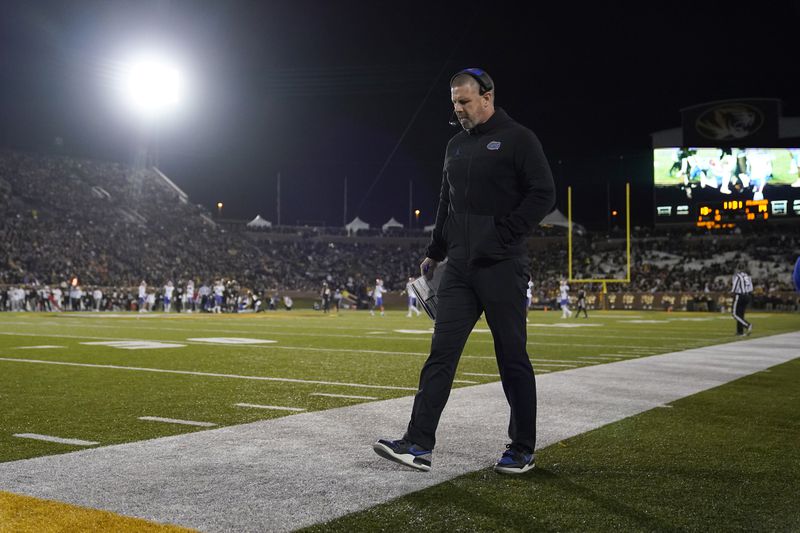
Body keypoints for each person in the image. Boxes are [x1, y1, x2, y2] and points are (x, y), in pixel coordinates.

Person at [373, 68, 555, 475]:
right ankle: (418, 443)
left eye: (465, 101)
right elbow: (446, 202)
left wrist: (503, 236)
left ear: (487, 97)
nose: (458, 109)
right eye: (454, 102)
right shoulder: (454, 144)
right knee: (441, 354)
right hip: (457, 268)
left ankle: (522, 448)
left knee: (511, 357)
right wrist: (435, 251)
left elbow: (544, 193)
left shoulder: (518, 139)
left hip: (502, 266)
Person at [731, 264, 753, 336]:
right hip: (747, 295)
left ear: (738, 269)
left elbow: (734, 287)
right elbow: (751, 288)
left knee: (734, 314)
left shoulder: (738, 276)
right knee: (740, 314)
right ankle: (740, 332)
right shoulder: (747, 276)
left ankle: (747, 325)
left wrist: (731, 293)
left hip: (740, 296)